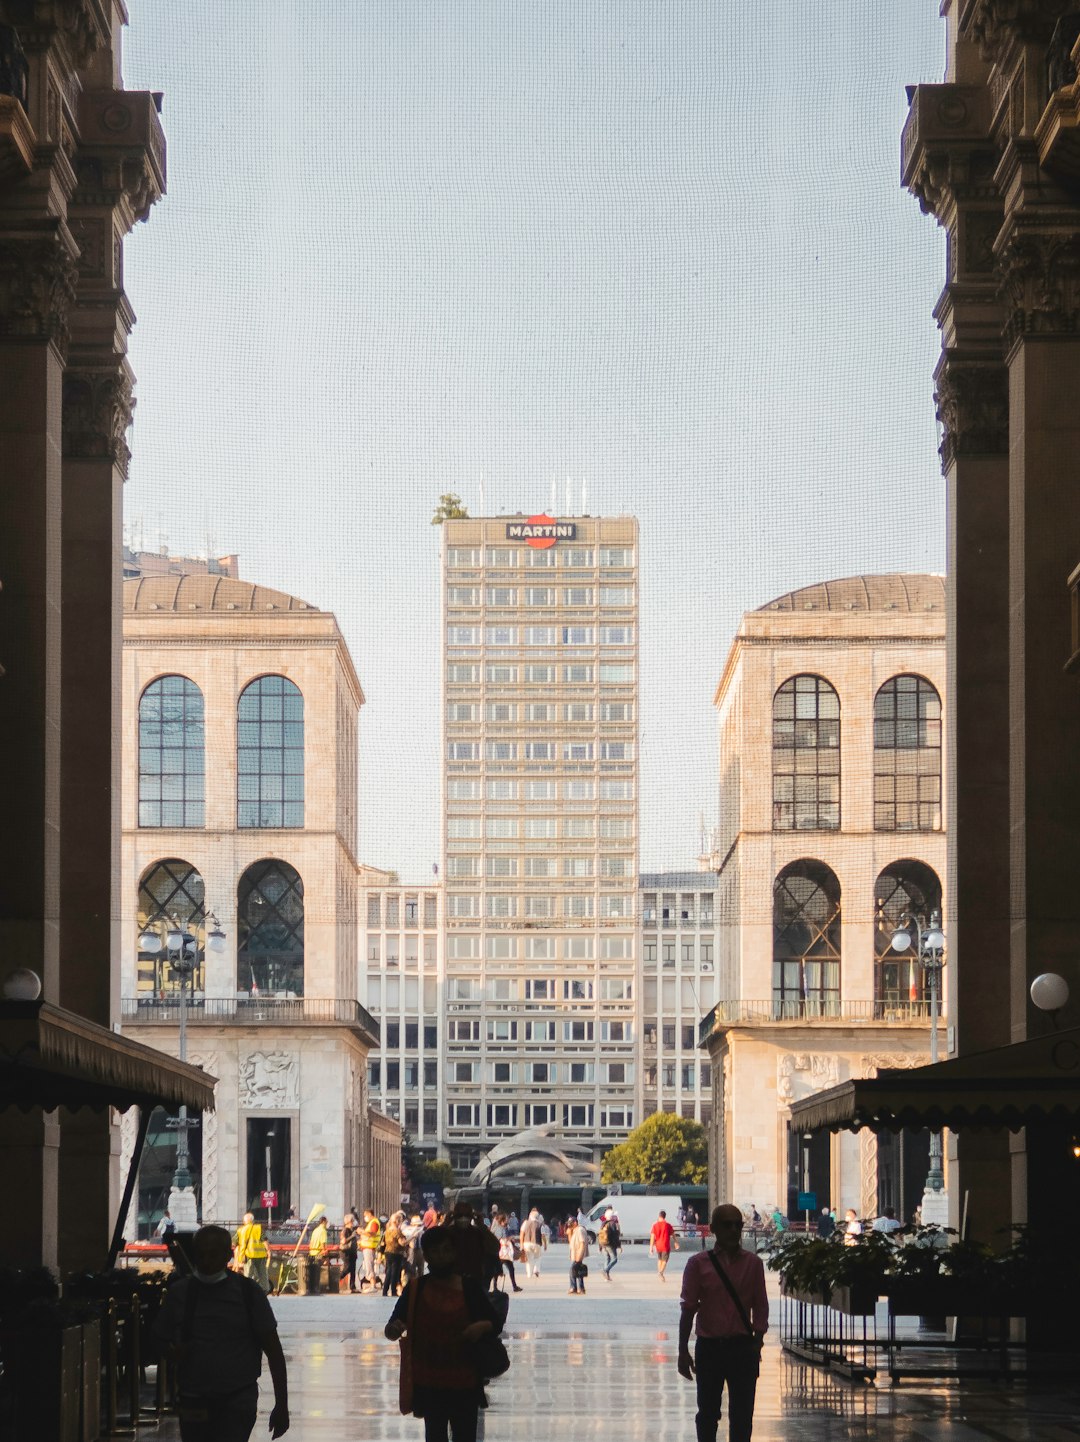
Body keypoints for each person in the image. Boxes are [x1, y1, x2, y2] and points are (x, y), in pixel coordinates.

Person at [154, 1224, 289, 1441]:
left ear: (228, 1255)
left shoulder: (248, 1293)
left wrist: (282, 1405)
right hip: (194, 1397)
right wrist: (172, 1353)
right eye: (201, 1255)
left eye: (213, 1254)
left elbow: (273, 1350)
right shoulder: (180, 1294)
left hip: (237, 1399)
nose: (207, 1262)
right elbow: (159, 1338)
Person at [386, 1225, 504, 1442]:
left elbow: (495, 1323)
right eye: (435, 1251)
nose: (441, 1256)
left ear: (454, 1253)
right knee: (435, 1435)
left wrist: (480, 1327)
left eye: (446, 1250)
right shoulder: (416, 1289)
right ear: (427, 1255)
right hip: (430, 1382)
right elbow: (392, 1327)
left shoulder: (469, 1288)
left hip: (465, 1380)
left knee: (465, 1435)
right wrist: (395, 1328)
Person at [678, 1204, 769, 1442]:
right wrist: (682, 1350)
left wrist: (757, 1341)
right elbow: (688, 1308)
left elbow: (760, 1305)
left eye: (737, 1225)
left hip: (742, 1348)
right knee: (707, 1414)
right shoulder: (698, 1264)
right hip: (710, 1348)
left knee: (742, 1416)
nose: (733, 1230)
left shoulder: (753, 1264)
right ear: (713, 1229)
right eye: (727, 1225)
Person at [234, 1212, 270, 1293]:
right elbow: (265, 1241)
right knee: (262, 1274)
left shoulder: (240, 1230)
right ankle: (265, 1290)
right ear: (253, 1221)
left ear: (244, 1221)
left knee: (248, 1274)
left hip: (248, 1256)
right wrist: (268, 1251)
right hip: (260, 1255)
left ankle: (247, 1290)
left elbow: (234, 1243)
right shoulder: (258, 1228)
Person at [492, 1213, 523, 1292]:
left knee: (497, 1270)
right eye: (506, 1218)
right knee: (510, 1269)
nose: (508, 1220)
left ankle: (495, 1287)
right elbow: (502, 1239)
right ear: (502, 1220)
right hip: (503, 1252)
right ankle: (514, 1286)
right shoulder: (501, 1228)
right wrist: (510, 1238)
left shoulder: (498, 1228)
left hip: (499, 1252)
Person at [383, 1211, 410, 1296]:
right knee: (395, 1272)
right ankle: (393, 1291)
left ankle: (385, 1290)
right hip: (396, 1253)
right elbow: (402, 1243)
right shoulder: (397, 1231)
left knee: (388, 1272)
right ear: (397, 1221)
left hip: (388, 1252)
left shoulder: (387, 1230)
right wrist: (411, 1238)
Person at [650, 1209, 679, 1281]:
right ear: (664, 1217)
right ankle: (660, 1272)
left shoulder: (655, 1225)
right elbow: (673, 1235)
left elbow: (652, 1237)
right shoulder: (668, 1225)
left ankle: (660, 1273)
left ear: (659, 1216)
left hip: (658, 1246)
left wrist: (651, 1247)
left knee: (659, 1259)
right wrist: (676, 1242)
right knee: (665, 1260)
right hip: (665, 1245)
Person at [359, 1207, 381, 1290]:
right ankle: (372, 1284)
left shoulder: (374, 1222)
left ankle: (372, 1285)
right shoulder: (371, 1223)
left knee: (369, 1266)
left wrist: (362, 1231)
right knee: (368, 1266)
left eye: (365, 1215)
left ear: (369, 1214)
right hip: (367, 1247)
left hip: (370, 1247)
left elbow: (372, 1233)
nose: (364, 1217)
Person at [567, 1216, 589, 1295]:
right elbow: (571, 1242)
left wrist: (580, 1256)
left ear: (575, 1223)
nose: (569, 1225)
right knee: (578, 1271)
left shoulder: (580, 1230)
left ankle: (573, 1287)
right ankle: (581, 1288)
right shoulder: (575, 1230)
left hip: (578, 1255)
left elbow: (582, 1243)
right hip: (575, 1255)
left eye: (570, 1224)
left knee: (572, 1270)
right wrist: (569, 1233)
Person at [519, 1208, 544, 1279]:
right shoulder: (539, 1224)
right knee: (538, 1257)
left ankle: (529, 1274)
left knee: (529, 1259)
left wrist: (521, 1244)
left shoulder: (525, 1222)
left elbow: (522, 1234)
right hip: (537, 1243)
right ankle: (536, 1270)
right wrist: (545, 1244)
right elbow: (542, 1235)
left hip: (526, 1243)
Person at [598, 1209, 622, 1280]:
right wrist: (619, 1246)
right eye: (614, 1216)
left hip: (603, 1244)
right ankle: (605, 1270)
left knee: (607, 1259)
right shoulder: (612, 1224)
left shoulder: (603, 1223)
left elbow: (600, 1235)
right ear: (611, 1216)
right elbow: (615, 1236)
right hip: (610, 1244)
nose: (615, 1217)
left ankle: (607, 1276)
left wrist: (600, 1246)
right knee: (614, 1259)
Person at [307, 1215, 328, 1294]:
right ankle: (317, 1288)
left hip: (312, 1252)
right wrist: (325, 1252)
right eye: (326, 1222)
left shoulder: (315, 1230)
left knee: (312, 1272)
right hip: (319, 1253)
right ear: (323, 1221)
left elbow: (311, 1243)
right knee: (317, 1272)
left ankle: (311, 1289)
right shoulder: (323, 1231)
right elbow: (323, 1244)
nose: (327, 1224)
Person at [339, 1211, 359, 1293]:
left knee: (353, 1270)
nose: (353, 1222)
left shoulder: (352, 1230)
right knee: (347, 1268)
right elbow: (343, 1241)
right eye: (352, 1221)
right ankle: (337, 1278)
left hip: (352, 1252)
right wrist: (352, 1237)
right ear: (349, 1222)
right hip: (346, 1252)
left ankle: (352, 1286)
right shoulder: (345, 1230)